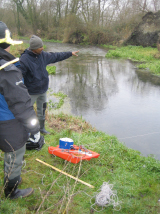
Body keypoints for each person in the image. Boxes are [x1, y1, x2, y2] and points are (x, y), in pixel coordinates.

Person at [0, 21, 40, 199]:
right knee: (15, 154)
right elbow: (21, 103)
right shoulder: (7, 70)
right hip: (7, 121)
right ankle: (11, 191)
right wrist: (34, 128)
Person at [19, 35, 79, 135]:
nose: (42, 48)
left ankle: (41, 128)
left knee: (42, 110)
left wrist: (70, 53)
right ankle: (27, 132)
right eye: (40, 47)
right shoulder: (24, 60)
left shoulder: (43, 55)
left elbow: (56, 56)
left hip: (43, 90)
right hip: (31, 92)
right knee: (27, 113)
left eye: (42, 46)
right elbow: (19, 77)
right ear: (33, 48)